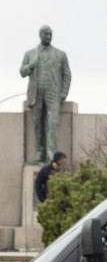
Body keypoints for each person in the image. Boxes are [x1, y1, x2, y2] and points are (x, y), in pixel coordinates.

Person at [20, 25, 72, 163]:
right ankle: (40, 152)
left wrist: (63, 93)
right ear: (40, 35)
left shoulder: (60, 54)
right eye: (46, 34)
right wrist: (31, 66)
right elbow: (22, 72)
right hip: (35, 93)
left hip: (53, 92)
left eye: (50, 34)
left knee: (53, 123)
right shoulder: (30, 53)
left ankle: (51, 154)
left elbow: (67, 75)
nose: (48, 37)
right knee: (37, 123)